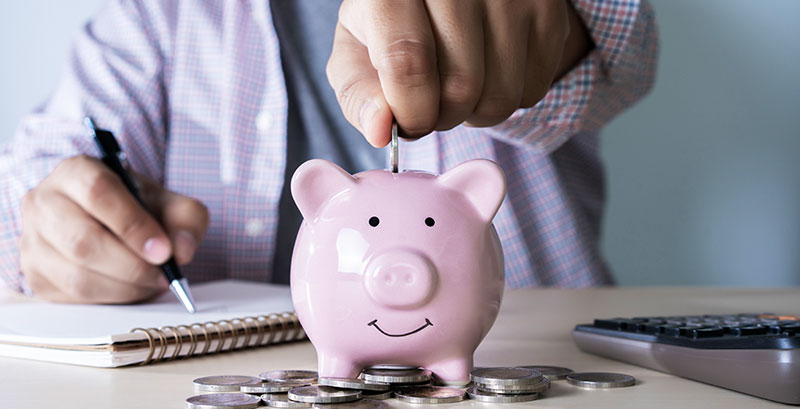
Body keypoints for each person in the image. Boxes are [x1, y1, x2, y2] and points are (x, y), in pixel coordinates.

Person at [0, 0, 657, 303]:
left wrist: (553, 28)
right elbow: (37, 180)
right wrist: (61, 228)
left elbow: (622, 45)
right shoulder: (152, 21)